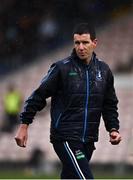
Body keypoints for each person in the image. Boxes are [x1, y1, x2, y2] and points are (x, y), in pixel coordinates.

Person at [15, 23, 122, 179]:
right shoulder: (61, 68)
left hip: (89, 139)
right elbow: (38, 96)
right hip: (65, 137)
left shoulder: (104, 71)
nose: (80, 47)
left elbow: (109, 104)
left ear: (94, 43)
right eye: (77, 42)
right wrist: (24, 125)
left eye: (85, 42)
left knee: (71, 177)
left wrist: (113, 128)